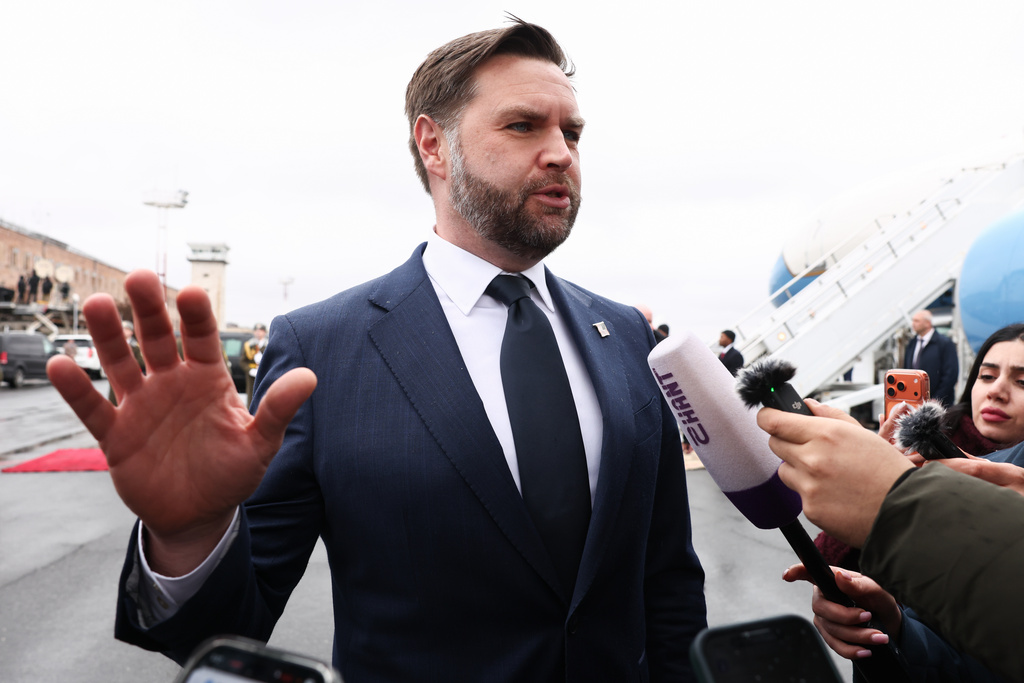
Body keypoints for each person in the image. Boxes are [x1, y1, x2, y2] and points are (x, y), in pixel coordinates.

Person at [46, 19, 706, 683]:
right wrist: (189, 536)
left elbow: (668, 584)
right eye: (523, 125)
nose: (561, 152)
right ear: (434, 146)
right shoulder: (320, 349)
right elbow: (229, 626)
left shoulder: (624, 336)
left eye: (573, 132)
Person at [758, 400, 1024, 682]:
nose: (997, 392)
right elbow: (961, 660)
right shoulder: (985, 468)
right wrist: (896, 628)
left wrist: (897, 503)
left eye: (1021, 380)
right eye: (987, 375)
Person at [904, 310, 959, 406]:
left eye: (917, 321)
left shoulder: (944, 344)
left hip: (939, 404)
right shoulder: (912, 343)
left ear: (927, 323)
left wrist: (937, 399)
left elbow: (951, 374)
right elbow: (907, 370)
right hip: (916, 401)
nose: (913, 324)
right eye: (913, 321)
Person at [109, 321, 145, 406]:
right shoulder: (116, 345)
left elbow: (141, 363)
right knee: (115, 402)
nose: (124, 331)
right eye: (122, 329)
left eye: (126, 329)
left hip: (129, 379)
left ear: (131, 332)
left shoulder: (135, 346)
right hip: (116, 377)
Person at [242, 323, 268, 407]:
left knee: (265, 395)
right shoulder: (249, 344)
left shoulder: (269, 344)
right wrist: (250, 370)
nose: (258, 333)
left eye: (261, 331)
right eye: (256, 331)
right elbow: (243, 361)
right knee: (251, 396)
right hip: (252, 375)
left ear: (264, 332)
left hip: (265, 374)